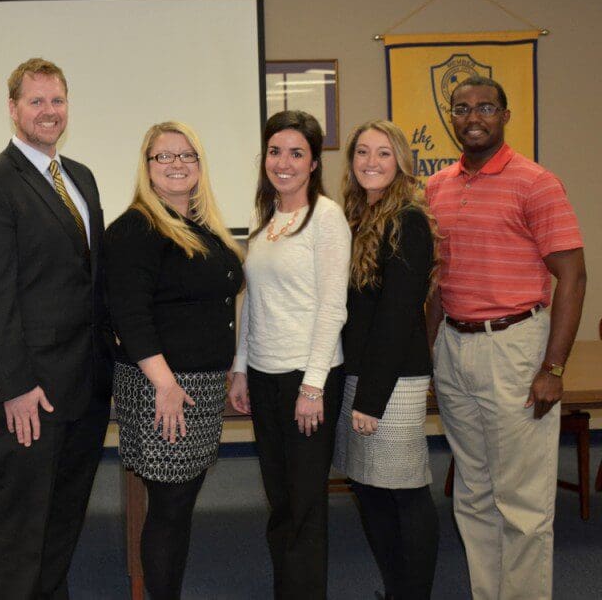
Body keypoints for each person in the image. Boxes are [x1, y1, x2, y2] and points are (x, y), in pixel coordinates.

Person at [0, 57, 113, 599]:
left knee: (61, 529)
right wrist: (17, 388)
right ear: (13, 109)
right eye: (36, 101)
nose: (49, 111)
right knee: (19, 536)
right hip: (27, 397)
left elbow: (88, 283)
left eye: (57, 100)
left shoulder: (82, 178)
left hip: (83, 390)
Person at [426, 76, 585, 600]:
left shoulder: (536, 182)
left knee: (523, 503)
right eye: (462, 108)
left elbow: (573, 275)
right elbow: (434, 283)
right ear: (451, 116)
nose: (474, 117)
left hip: (516, 348)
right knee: (472, 494)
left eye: (486, 107)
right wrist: (427, 358)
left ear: (505, 115)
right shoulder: (438, 187)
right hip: (454, 345)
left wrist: (554, 368)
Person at [103, 121, 242, 599]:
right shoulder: (136, 228)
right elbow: (129, 314)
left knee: (180, 501)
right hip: (163, 386)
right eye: (164, 156)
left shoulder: (203, 226)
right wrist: (164, 385)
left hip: (199, 384)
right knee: (170, 504)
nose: (177, 164)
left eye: (187, 155)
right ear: (147, 167)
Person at [228, 110, 351, 599]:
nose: (283, 162)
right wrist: (240, 368)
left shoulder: (326, 217)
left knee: (304, 505)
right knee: (280, 500)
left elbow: (332, 307)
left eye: (296, 153)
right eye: (275, 151)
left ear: (313, 162)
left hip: (308, 377)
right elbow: (255, 301)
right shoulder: (266, 218)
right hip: (263, 374)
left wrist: (313, 384)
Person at [331, 120, 439, 599]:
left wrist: (371, 399)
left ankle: (412, 593)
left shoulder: (408, 220)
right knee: (369, 489)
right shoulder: (354, 216)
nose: (370, 162)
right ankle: (396, 588)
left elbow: (397, 317)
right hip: (360, 374)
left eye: (383, 153)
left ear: (400, 163)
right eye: (362, 152)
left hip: (392, 381)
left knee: (403, 492)